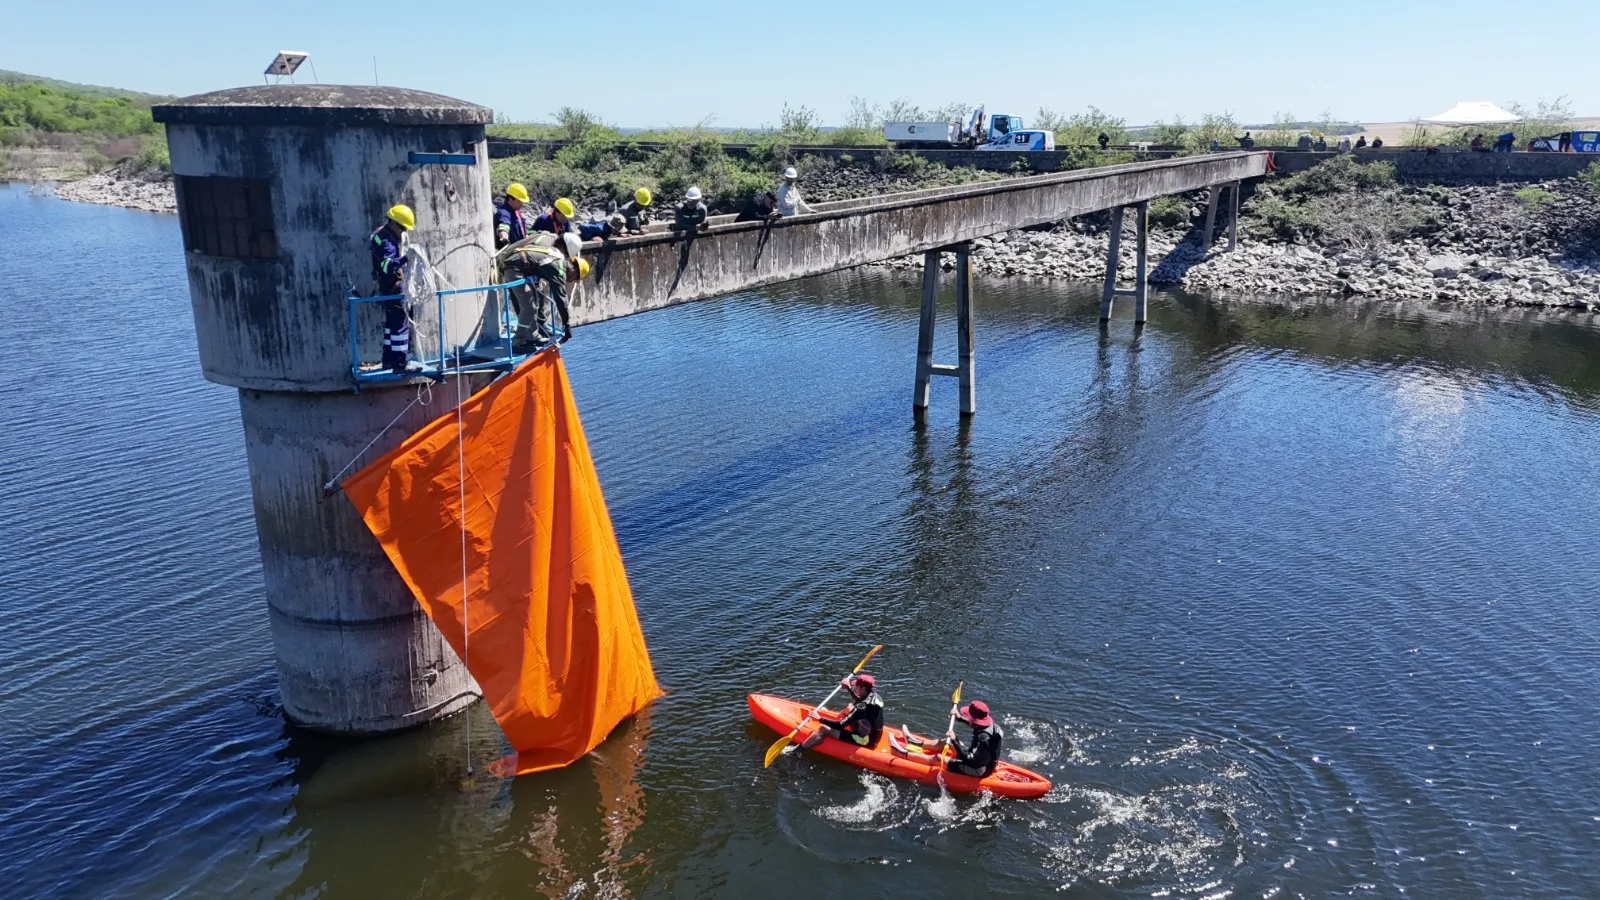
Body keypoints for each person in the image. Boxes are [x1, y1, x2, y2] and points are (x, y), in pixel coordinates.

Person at [499, 231, 590, 348]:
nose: (571, 281)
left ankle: (534, 333)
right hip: (515, 268)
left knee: (537, 296)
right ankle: (519, 342)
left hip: (518, 267)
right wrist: (566, 325)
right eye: (574, 278)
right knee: (529, 306)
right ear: (573, 270)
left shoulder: (551, 249)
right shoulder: (559, 265)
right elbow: (560, 298)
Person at [370, 203, 418, 373]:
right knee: (400, 326)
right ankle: (400, 363)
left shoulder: (380, 233)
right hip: (393, 287)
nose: (404, 232)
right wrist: (406, 258)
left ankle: (388, 360)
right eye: (403, 228)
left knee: (392, 325)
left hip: (387, 287)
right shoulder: (387, 241)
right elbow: (387, 266)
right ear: (394, 223)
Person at [900, 699, 1004, 778]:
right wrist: (959, 718)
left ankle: (901, 754)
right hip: (979, 761)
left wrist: (955, 740)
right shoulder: (992, 727)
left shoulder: (983, 738)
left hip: (978, 769)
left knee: (937, 758)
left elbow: (970, 761)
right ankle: (913, 742)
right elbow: (976, 725)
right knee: (947, 742)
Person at [795, 673, 884, 753]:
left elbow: (840, 726)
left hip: (865, 741)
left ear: (863, 688)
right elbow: (860, 701)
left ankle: (799, 750)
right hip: (873, 736)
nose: (855, 688)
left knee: (823, 728)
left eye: (856, 686)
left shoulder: (861, 708)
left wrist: (819, 718)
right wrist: (849, 689)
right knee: (850, 707)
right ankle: (842, 720)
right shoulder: (874, 696)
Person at [494, 182, 530, 249]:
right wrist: (504, 238)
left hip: (521, 248)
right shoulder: (504, 213)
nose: (522, 204)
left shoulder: (515, 211)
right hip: (510, 252)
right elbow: (503, 227)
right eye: (519, 201)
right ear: (510, 199)